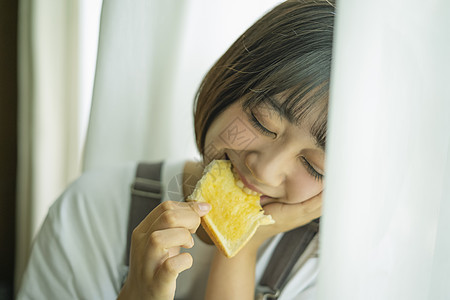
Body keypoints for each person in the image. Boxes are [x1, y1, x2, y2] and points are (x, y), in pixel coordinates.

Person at [18, 0, 335, 299]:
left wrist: (241, 247)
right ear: (228, 82)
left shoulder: (329, 265)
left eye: (314, 166)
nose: (265, 169)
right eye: (262, 122)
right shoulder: (91, 208)